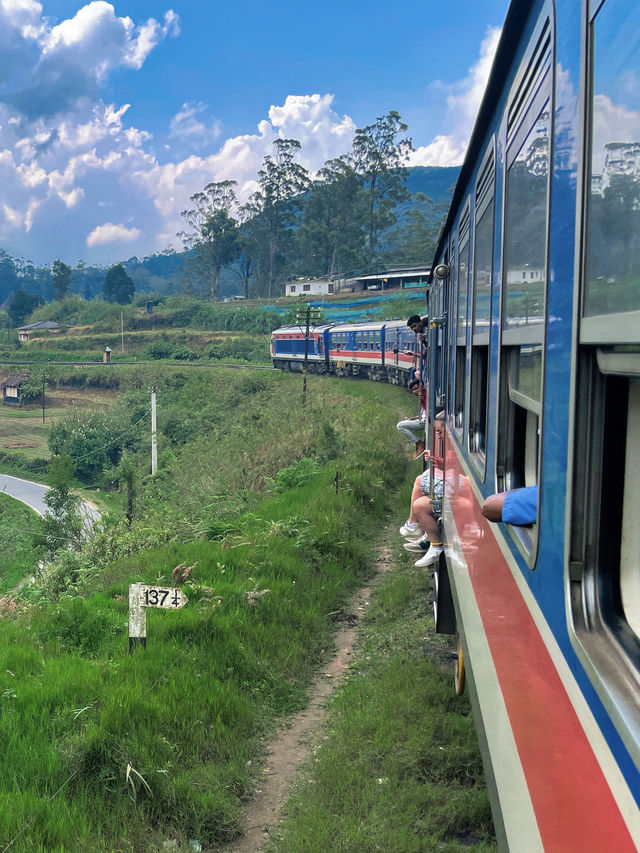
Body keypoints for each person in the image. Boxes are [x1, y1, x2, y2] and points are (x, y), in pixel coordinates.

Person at [399, 468, 444, 567]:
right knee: (423, 479)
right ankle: (418, 528)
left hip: (456, 494)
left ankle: (435, 545)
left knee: (420, 505)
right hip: (456, 485)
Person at [396, 379, 427, 459]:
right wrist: (413, 418)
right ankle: (418, 442)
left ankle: (419, 444)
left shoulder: (426, 396)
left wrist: (422, 398)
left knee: (400, 426)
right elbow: (424, 412)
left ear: (422, 387)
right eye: (413, 390)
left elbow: (430, 409)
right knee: (406, 422)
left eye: (417, 388)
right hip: (423, 419)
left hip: (426, 421)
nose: (415, 391)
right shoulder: (422, 396)